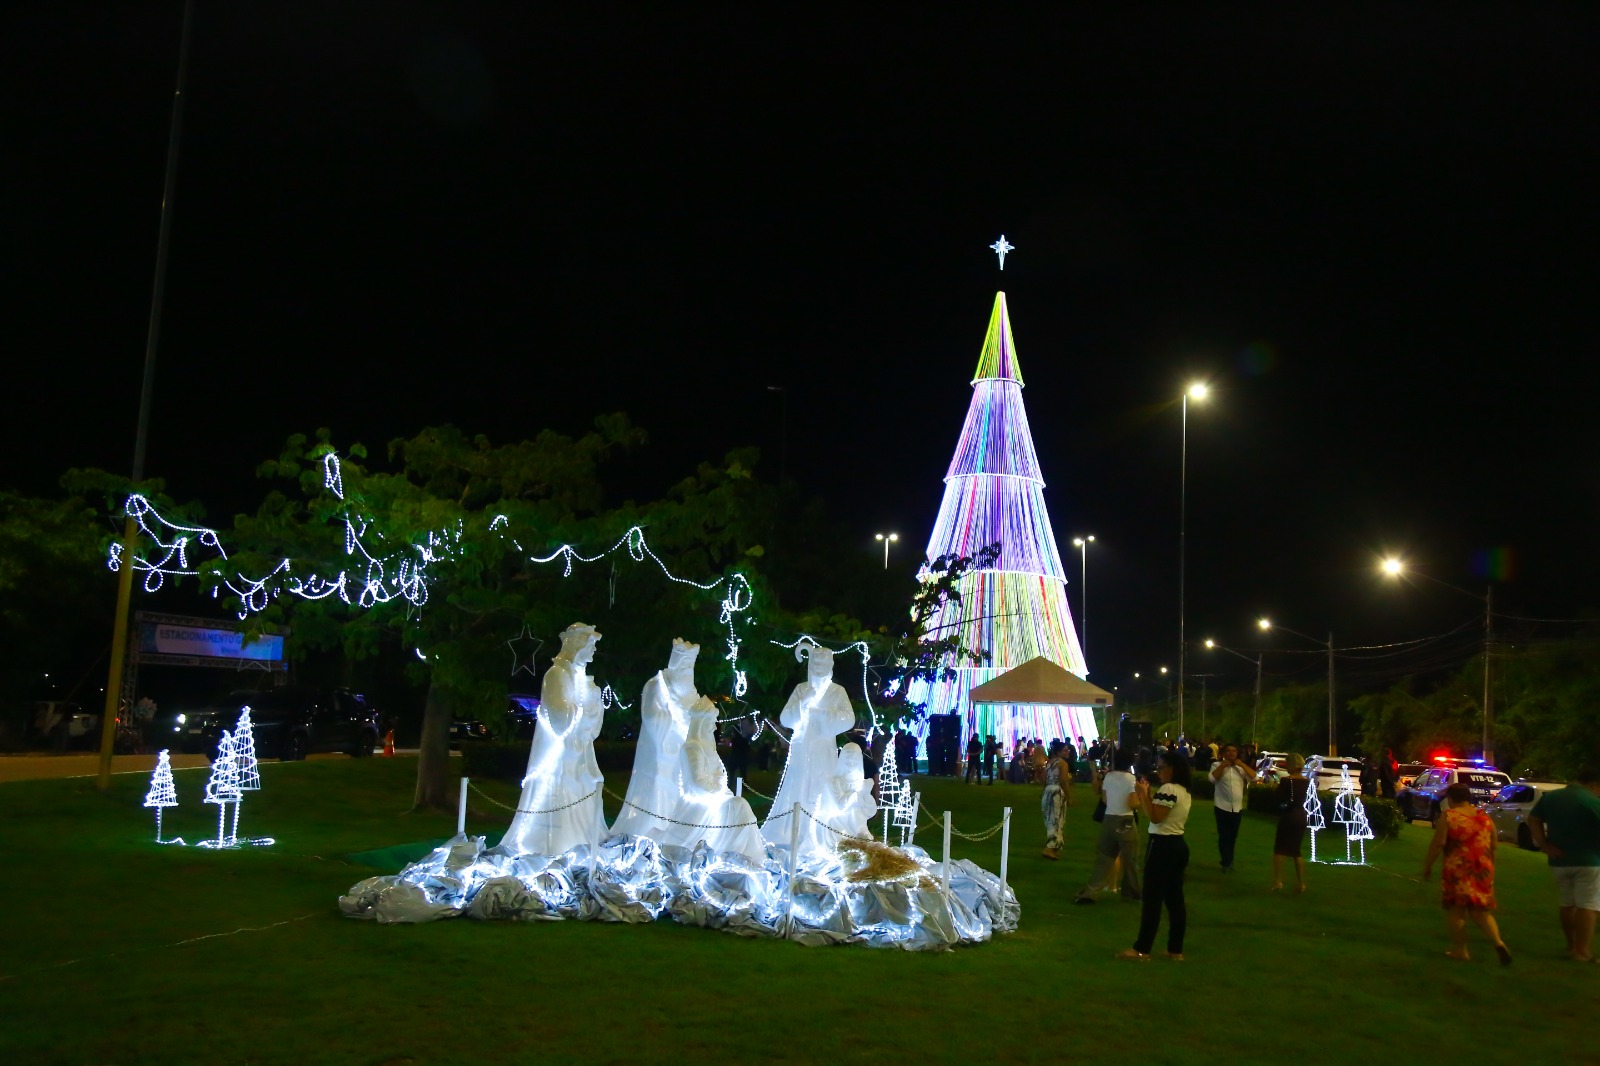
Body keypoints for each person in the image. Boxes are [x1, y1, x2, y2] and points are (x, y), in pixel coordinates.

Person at [1422, 782, 1512, 964]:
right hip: (1483, 869)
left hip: (1458, 868)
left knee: (1457, 910)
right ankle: (1498, 942)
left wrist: (1428, 865)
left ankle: (1460, 950)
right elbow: (1494, 844)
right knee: (1481, 912)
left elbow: (1439, 843)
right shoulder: (1484, 817)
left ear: (1451, 798)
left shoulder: (1450, 816)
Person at [1117, 752, 1192, 961]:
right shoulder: (1184, 791)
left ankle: (1142, 948)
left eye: (1161, 768)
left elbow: (1155, 817)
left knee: (1152, 899)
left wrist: (1143, 795)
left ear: (1172, 768)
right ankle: (1175, 949)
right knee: (1175, 899)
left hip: (1162, 845)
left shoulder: (1169, 789)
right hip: (1177, 844)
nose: (1158, 772)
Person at [1527, 766, 1600, 962]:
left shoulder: (1551, 797)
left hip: (1559, 861)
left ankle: (1571, 945)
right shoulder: (1592, 801)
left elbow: (1533, 819)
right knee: (1588, 905)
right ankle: (1582, 951)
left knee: (1567, 903)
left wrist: (1544, 844)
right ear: (1594, 785)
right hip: (1588, 860)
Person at [1076, 749, 1142, 903]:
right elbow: (1132, 803)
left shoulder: (1109, 776)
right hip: (1125, 819)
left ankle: (1091, 892)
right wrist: (1142, 799)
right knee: (1130, 859)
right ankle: (1132, 891)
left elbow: (1105, 800)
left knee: (1104, 859)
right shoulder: (1130, 779)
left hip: (1108, 819)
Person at [1209, 743, 1253, 871]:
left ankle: (1229, 860)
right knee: (1224, 836)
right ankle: (1225, 862)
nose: (1231, 753)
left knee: (1233, 836)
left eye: (1234, 751)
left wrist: (1242, 765)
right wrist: (1223, 765)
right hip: (1222, 806)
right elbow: (1212, 779)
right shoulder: (1216, 765)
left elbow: (1255, 777)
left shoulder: (1240, 768)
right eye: (1228, 751)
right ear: (1223, 753)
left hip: (1237, 808)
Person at [1271, 753, 1311, 892]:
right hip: (1301, 815)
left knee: (1280, 849)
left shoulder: (1287, 781)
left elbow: (1278, 799)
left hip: (1289, 816)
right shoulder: (1306, 781)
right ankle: (1301, 883)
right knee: (1296, 851)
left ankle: (1278, 881)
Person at [1041, 740, 1073, 859]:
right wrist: (1069, 797)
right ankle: (1050, 847)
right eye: (1065, 750)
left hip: (1048, 791)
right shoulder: (1063, 763)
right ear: (1058, 752)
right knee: (1057, 819)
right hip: (1056, 792)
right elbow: (1063, 780)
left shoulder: (1049, 762)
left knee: (1050, 819)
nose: (1067, 752)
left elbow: (1043, 779)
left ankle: (1054, 847)